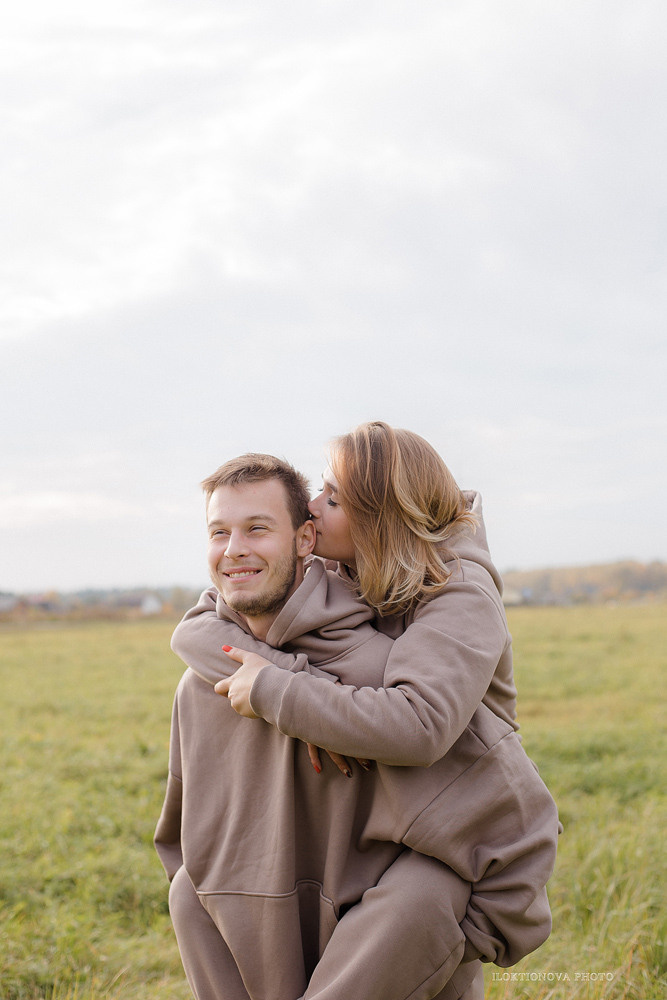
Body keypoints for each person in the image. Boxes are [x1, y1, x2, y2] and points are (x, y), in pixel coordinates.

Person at [157, 436, 559, 1000]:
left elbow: (417, 724)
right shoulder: (353, 579)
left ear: (383, 516)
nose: (316, 510)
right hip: (378, 832)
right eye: (219, 532)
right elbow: (202, 621)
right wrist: (303, 690)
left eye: (335, 498)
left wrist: (285, 692)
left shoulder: (459, 591)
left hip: (458, 833)